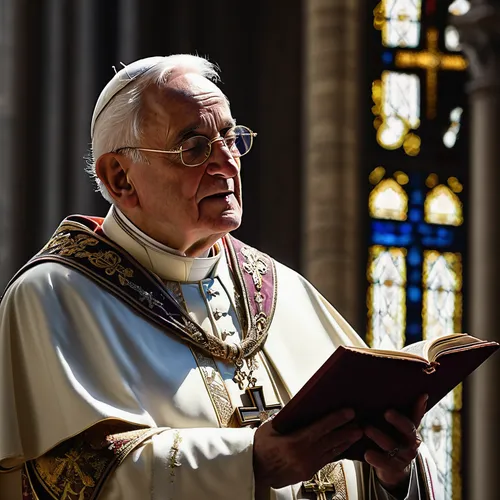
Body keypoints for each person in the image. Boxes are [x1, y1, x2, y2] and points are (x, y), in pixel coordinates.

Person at [0, 54, 439, 500]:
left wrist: (393, 476)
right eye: (194, 147)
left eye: (230, 138)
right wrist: (248, 460)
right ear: (120, 179)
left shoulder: (285, 291)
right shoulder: (55, 296)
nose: (227, 163)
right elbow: (74, 475)